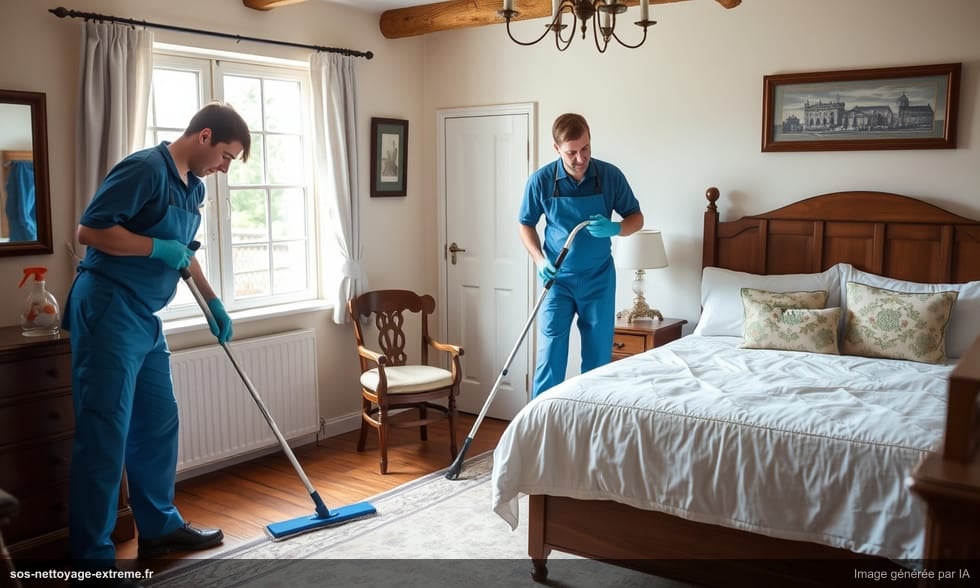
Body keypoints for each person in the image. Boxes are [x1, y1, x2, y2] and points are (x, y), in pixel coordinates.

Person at [63, 102, 251, 586]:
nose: (225, 168)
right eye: (227, 156)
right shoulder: (145, 168)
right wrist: (153, 248)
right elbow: (89, 230)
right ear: (205, 136)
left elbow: (184, 256)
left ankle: (160, 526)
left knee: (158, 421)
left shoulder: (195, 188)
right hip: (107, 307)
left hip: (144, 317)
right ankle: (93, 558)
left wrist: (214, 304)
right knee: (105, 434)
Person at [518, 113, 644, 399]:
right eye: (571, 152)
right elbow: (525, 223)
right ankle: (541, 426)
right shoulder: (541, 181)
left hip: (598, 280)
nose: (580, 158)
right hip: (558, 282)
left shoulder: (610, 176)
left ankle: (590, 423)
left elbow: (636, 218)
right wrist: (540, 260)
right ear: (556, 149)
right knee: (551, 355)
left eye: (585, 148)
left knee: (598, 359)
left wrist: (617, 227)